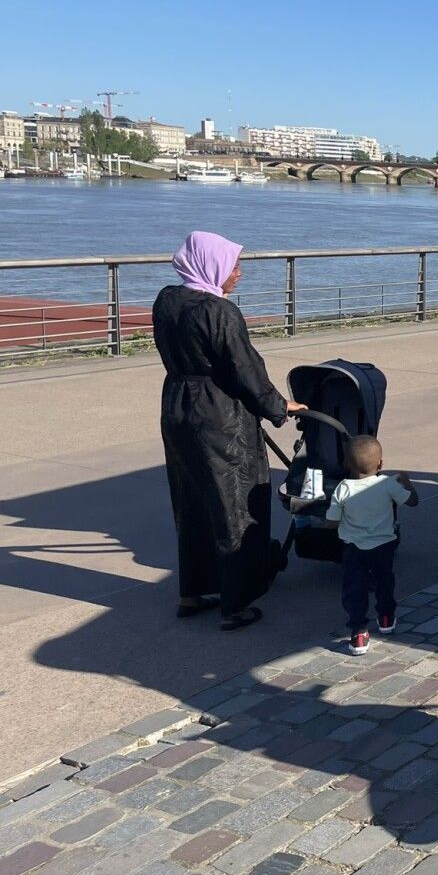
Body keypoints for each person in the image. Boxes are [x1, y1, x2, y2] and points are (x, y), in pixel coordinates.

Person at [152, 231, 306, 630]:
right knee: (234, 504)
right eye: (233, 266)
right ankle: (236, 602)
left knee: (192, 499)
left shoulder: (167, 300)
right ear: (213, 265)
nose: (238, 274)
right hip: (218, 413)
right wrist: (279, 406)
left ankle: (191, 592)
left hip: (177, 404)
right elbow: (243, 369)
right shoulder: (220, 311)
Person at [326, 435, 418, 655]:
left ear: (346, 464)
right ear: (380, 463)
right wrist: (407, 482)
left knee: (354, 589)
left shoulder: (343, 489)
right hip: (384, 546)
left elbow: (331, 522)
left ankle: (359, 632)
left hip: (354, 548)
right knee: (385, 582)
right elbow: (413, 501)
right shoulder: (387, 484)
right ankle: (386, 617)